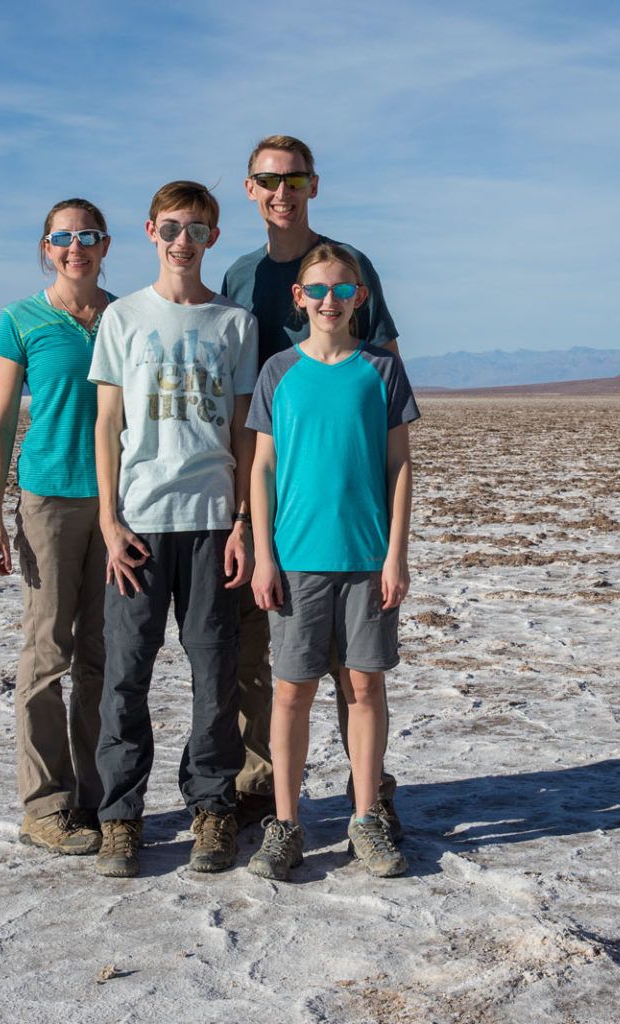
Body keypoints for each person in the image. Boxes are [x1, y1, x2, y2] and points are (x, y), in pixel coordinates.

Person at [220, 135, 404, 837]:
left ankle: (371, 799)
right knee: (265, 662)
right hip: (271, 503)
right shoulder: (240, 278)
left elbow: (381, 383)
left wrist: (391, 531)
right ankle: (268, 799)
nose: (281, 191)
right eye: (268, 180)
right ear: (250, 189)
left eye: (294, 179)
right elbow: (243, 404)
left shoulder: (350, 267)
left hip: (350, 513)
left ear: (312, 186)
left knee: (358, 672)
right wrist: (244, 518)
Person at [88, 181, 259, 878]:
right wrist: (107, 518)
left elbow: (247, 431)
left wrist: (245, 518)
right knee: (126, 674)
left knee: (213, 674)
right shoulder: (124, 318)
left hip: (213, 521)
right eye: (169, 228)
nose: (181, 240)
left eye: (195, 229)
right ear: (150, 232)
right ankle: (121, 818)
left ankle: (212, 808)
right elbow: (107, 426)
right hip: (139, 523)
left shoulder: (234, 324)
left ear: (213, 237)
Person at [244, 242, 418, 881]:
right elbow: (262, 468)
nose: (328, 301)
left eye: (341, 291)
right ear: (299, 298)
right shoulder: (278, 372)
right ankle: (285, 825)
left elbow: (399, 466)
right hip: (296, 562)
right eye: (316, 290)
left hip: (367, 559)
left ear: (359, 300)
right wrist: (265, 555)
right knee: (291, 693)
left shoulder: (381, 369)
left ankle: (366, 818)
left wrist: (395, 555)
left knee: (365, 685)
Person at [0, 198, 114, 856]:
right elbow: (1, 422)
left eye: (87, 236)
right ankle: (45, 805)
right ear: (45, 246)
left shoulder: (125, 315)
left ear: (105, 245)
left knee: (100, 657)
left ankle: (93, 797)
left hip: (116, 506)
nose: (75, 247)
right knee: (46, 653)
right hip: (48, 502)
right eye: (62, 238)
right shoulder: (22, 320)